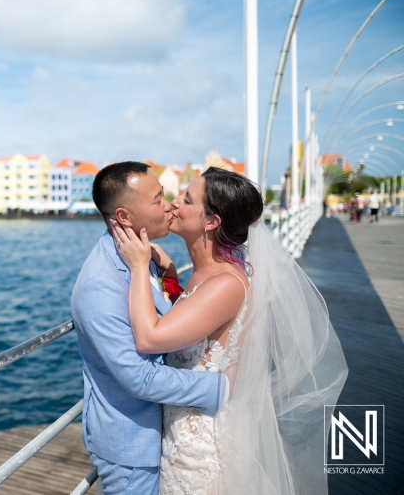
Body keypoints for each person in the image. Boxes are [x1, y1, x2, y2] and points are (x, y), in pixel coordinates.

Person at [112, 167, 348, 494]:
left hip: (200, 449)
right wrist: (169, 275)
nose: (172, 203)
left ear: (211, 222)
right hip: (183, 432)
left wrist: (139, 268)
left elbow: (149, 338)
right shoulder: (208, 273)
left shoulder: (225, 284)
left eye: (187, 199)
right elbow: (201, 327)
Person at [72, 162, 227, 494]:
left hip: (164, 431)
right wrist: (221, 389)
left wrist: (165, 271)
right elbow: (138, 377)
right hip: (132, 449)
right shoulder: (101, 285)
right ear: (125, 217)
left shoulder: (143, 257)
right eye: (158, 198)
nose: (169, 204)